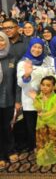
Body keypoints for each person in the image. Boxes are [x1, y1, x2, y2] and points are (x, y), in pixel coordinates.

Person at [17, 38, 53, 153]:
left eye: (40, 47)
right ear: (30, 47)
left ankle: (45, 144)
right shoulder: (24, 62)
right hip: (30, 99)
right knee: (32, 125)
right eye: (35, 47)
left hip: (45, 98)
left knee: (44, 123)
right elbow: (20, 83)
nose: (37, 50)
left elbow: (50, 77)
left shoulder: (45, 61)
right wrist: (27, 74)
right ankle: (35, 146)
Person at [0, 32, 20, 169]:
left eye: (1, 40)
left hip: (7, 98)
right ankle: (1, 155)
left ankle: (10, 149)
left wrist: (18, 100)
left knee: (7, 127)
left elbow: (17, 82)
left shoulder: (12, 58)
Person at [31, 76, 56, 166]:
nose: (44, 87)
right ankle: (44, 156)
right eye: (43, 85)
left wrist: (43, 115)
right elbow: (38, 108)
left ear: (53, 87)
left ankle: (55, 156)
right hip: (41, 124)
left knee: (53, 140)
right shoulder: (39, 97)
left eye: (48, 85)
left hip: (52, 124)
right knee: (42, 140)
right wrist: (34, 99)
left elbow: (54, 110)